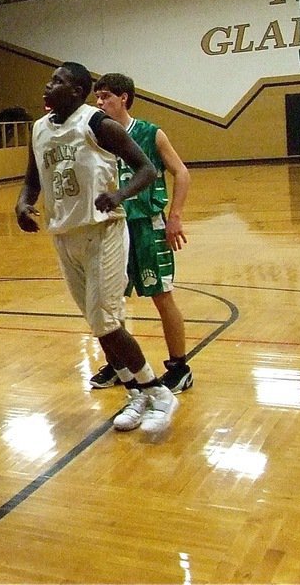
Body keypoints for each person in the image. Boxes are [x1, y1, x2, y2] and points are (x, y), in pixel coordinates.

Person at [14, 62, 180, 438]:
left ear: (76, 91)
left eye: (57, 81)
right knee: (99, 324)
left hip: (103, 231)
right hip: (64, 235)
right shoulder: (39, 129)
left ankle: (159, 393)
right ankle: (137, 394)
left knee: (106, 320)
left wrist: (119, 194)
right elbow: (33, 178)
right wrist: (23, 203)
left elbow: (146, 170)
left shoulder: (97, 124)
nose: (47, 84)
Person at [93, 73, 194, 393]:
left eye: (105, 96)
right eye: (97, 97)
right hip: (112, 226)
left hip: (147, 225)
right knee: (111, 301)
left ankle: (179, 367)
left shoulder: (151, 133)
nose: (99, 102)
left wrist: (175, 216)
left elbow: (182, 173)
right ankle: (118, 364)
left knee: (161, 296)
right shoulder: (95, 137)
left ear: (124, 98)